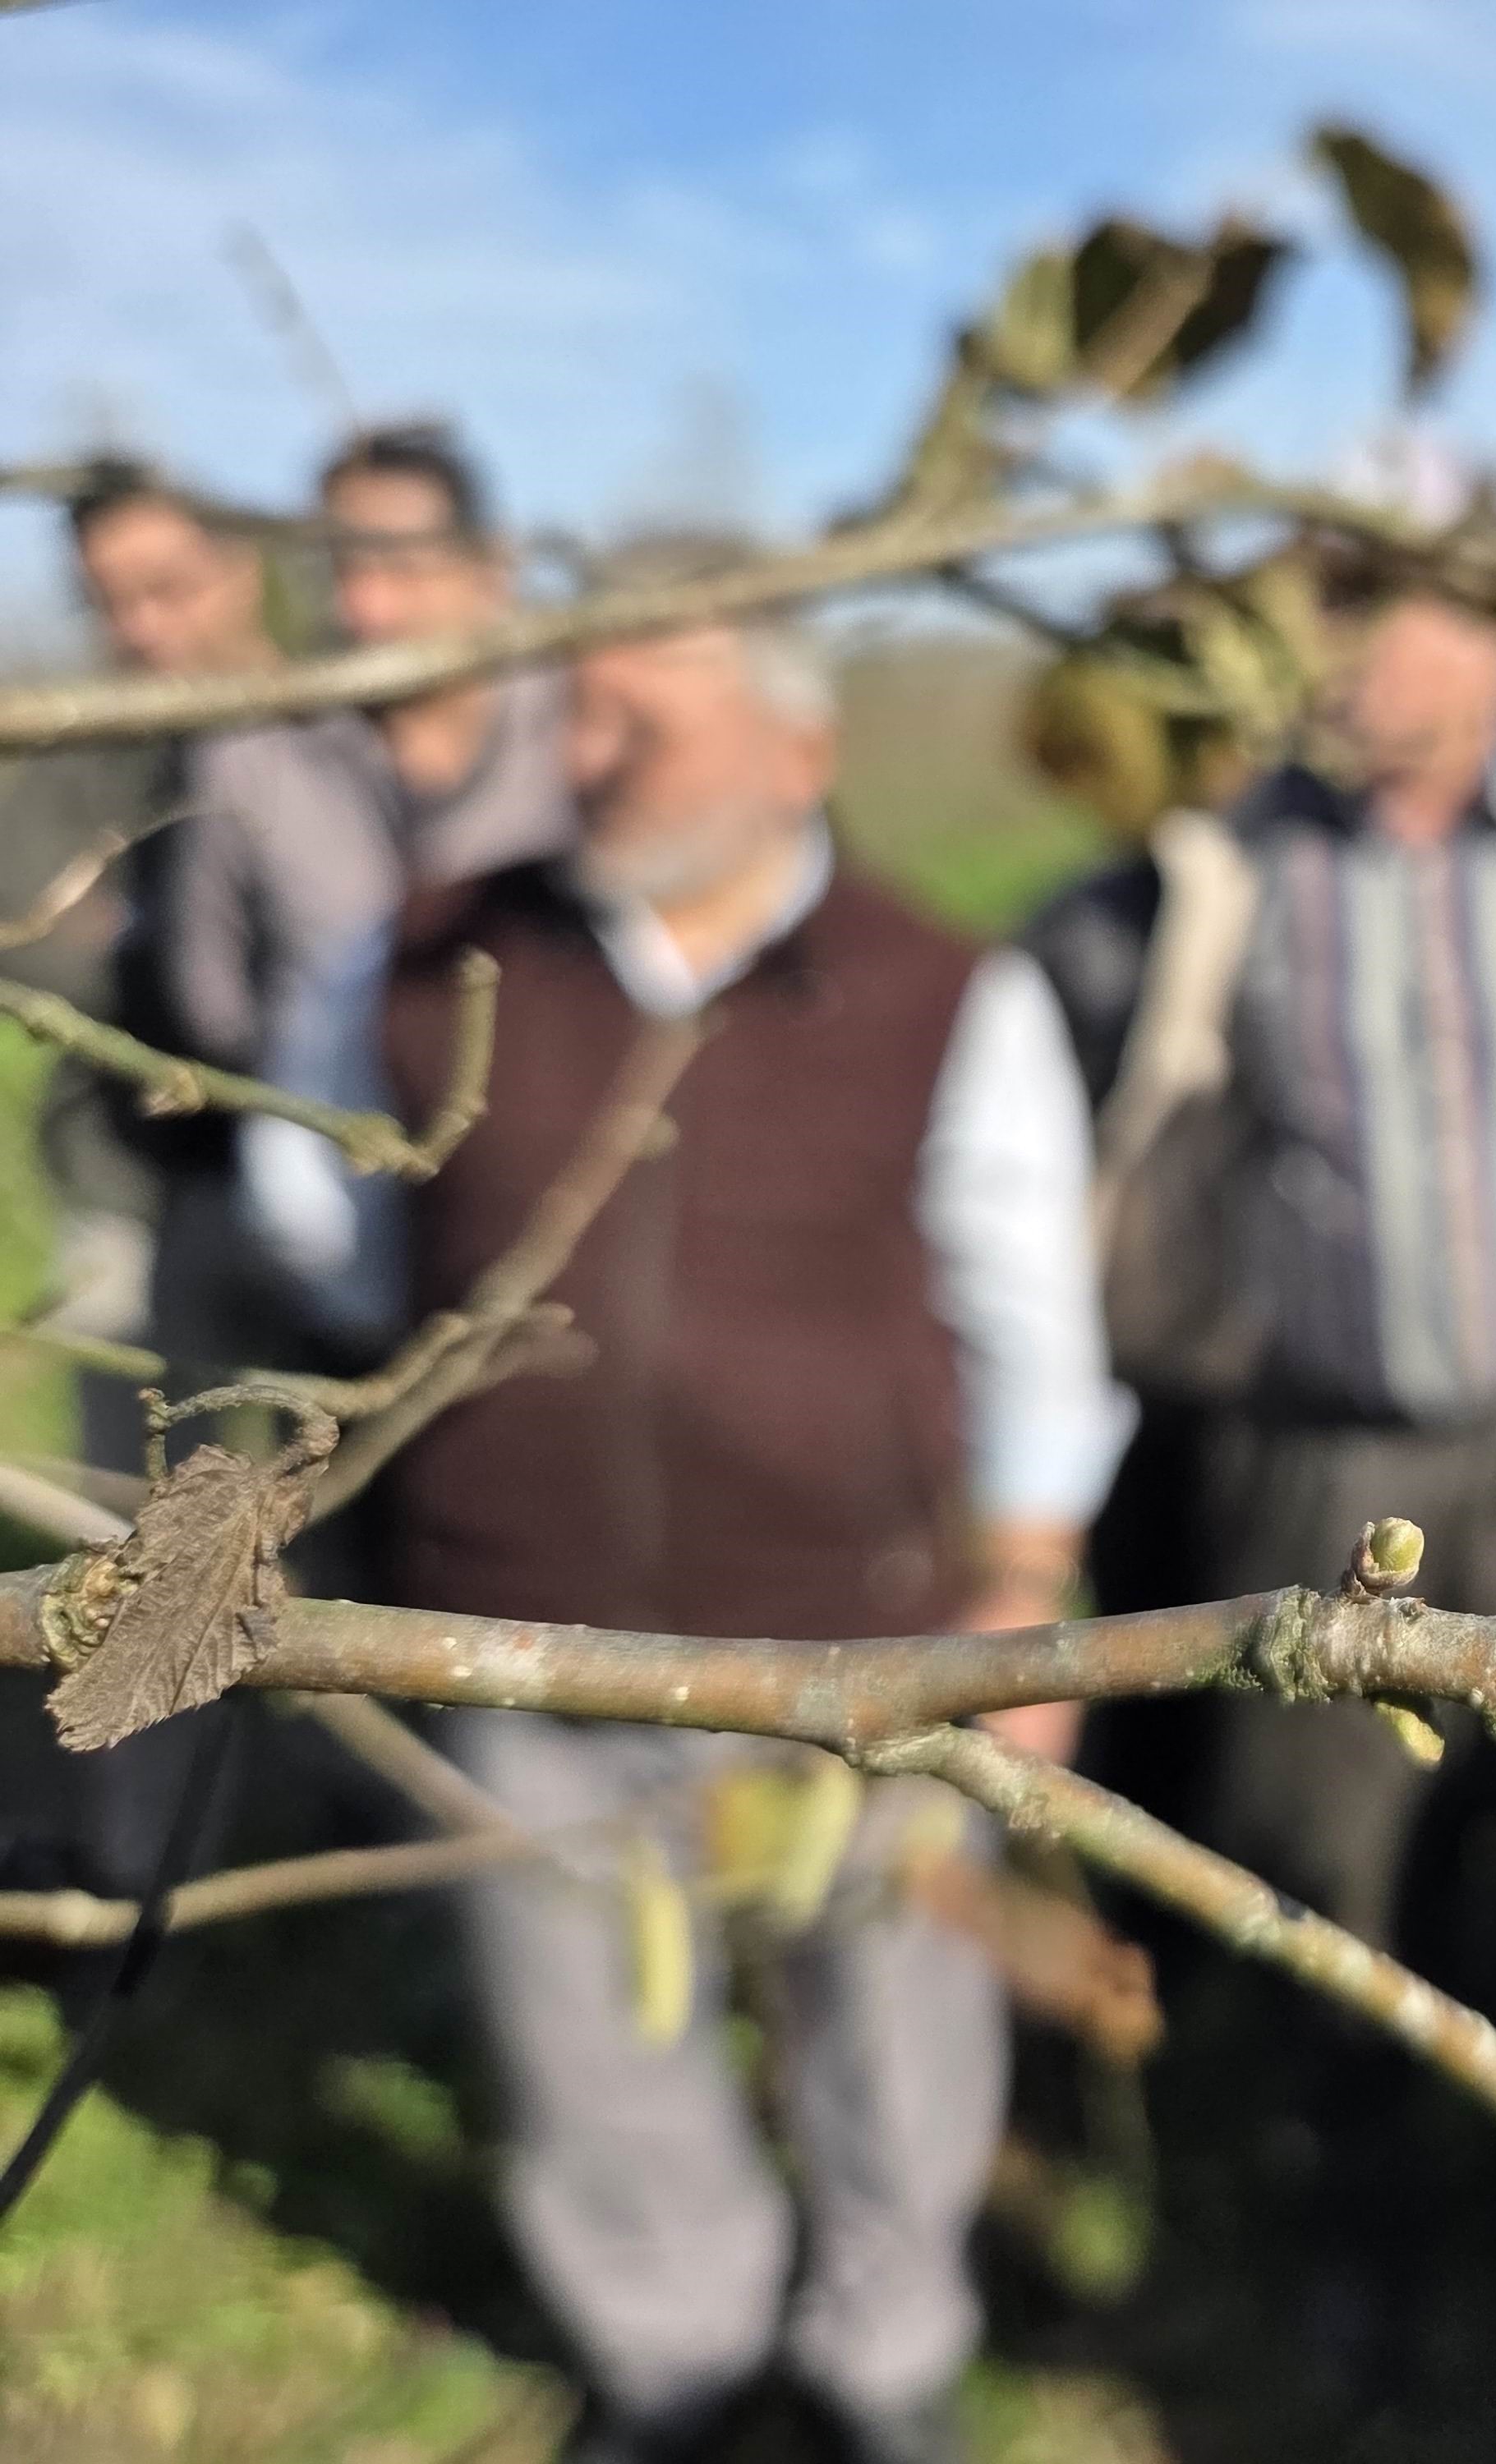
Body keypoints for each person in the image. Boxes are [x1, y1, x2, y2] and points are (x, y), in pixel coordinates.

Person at [246, 556, 1126, 2464]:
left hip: (858, 1633)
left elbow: (1030, 1313)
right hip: (514, 1618)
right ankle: (676, 2361)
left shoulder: (940, 990)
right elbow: (316, 1220)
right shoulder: (430, 960)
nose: (584, 753)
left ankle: (883, 2365)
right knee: (583, 2027)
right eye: (570, 710)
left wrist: (1024, 1583)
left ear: (794, 747)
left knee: (892, 2013)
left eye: (638, 717)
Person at [1019, 507, 1496, 2021]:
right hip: (1328, 1453)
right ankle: (1332, 2140)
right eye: (1323, 615)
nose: (1339, 656)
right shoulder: (1227, 861)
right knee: (1321, 1837)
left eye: (1377, 611)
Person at [150, 425, 573, 1409]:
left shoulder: (577, 732)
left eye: (401, 570)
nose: (366, 610)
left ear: (491, 571)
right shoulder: (251, 761)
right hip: (335, 1281)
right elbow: (211, 1003)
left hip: (555, 1260)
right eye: (343, 572)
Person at [0, 461, 276, 1911]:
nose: (146, 630)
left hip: (348, 1213)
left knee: (381, 1513)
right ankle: (140, 1865)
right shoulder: (92, 747)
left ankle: (372, 1834)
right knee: (154, 1531)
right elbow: (32, 925)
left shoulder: (329, 727)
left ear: (246, 567)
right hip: (137, 1194)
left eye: (171, 588)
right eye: (113, 602)